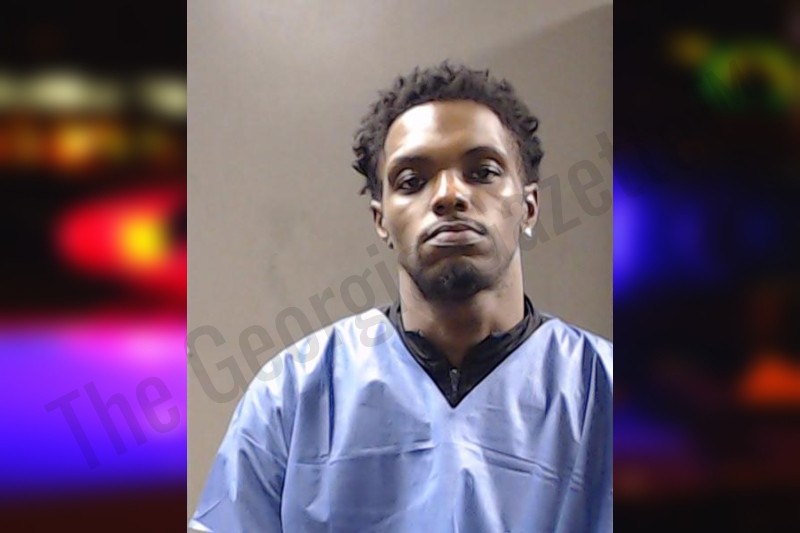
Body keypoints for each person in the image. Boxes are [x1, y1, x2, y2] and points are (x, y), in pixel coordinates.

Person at [190, 61, 612, 532]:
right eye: (412, 181)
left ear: (529, 206)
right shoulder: (292, 395)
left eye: (482, 172)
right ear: (381, 221)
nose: (449, 195)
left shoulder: (607, 393)